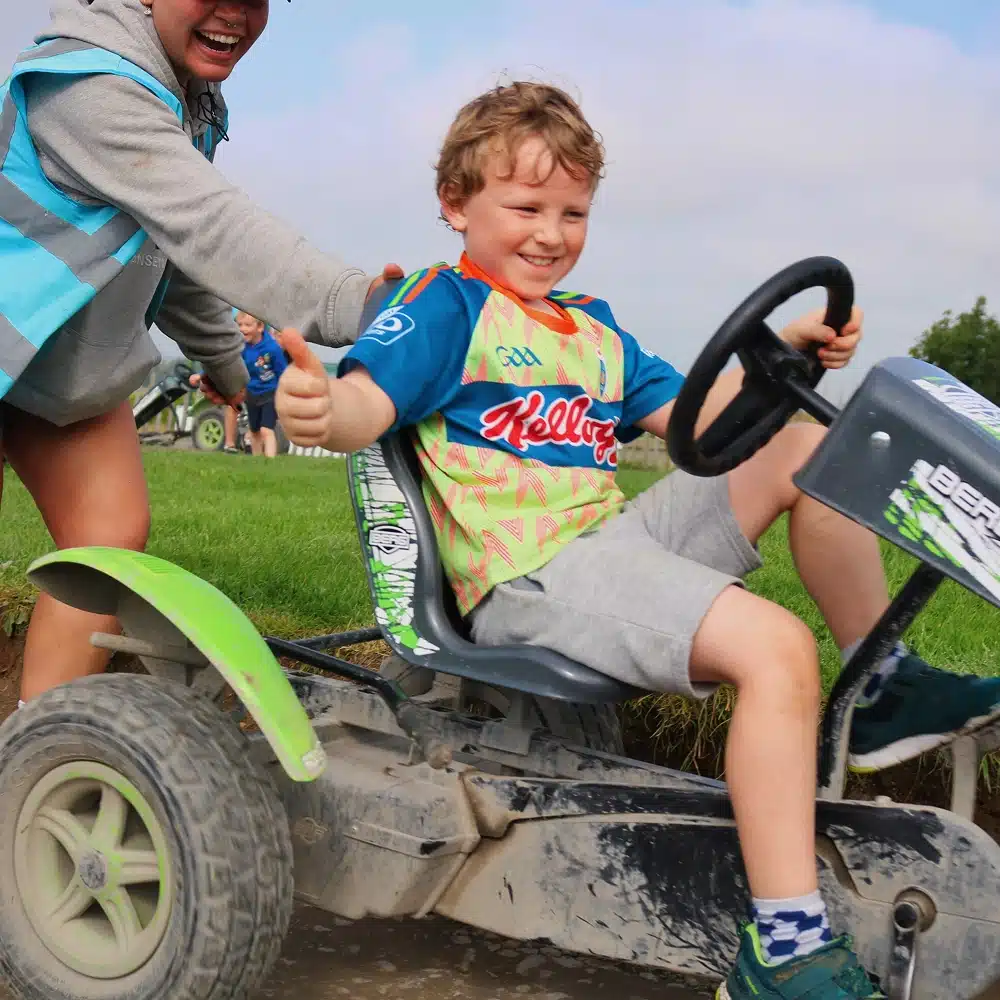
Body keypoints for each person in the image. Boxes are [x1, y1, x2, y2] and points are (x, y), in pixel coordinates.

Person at [276, 82, 1000, 999]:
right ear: (456, 206)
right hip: (525, 577)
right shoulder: (445, 310)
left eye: (573, 211)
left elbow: (703, 421)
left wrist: (783, 357)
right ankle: (783, 950)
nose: (551, 232)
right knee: (774, 650)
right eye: (526, 207)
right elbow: (362, 407)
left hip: (604, 542)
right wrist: (320, 406)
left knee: (807, 443)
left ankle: (886, 685)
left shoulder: (594, 326)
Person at [0, 0, 402, 705]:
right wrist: (361, 303)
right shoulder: (88, 86)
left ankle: (36, 755)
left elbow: (176, 260)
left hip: (56, 373)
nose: (236, 14)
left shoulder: (185, 99)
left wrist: (233, 372)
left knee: (107, 541)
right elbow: (215, 231)